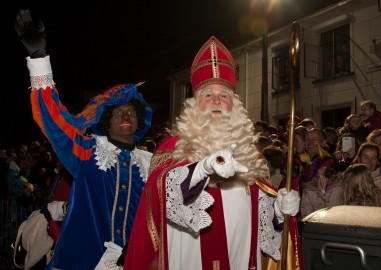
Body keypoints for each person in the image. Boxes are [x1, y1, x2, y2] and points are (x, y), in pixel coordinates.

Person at [124, 36, 300, 270]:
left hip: (241, 257)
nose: (217, 100)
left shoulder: (250, 154)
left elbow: (263, 221)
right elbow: (159, 198)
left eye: (224, 95)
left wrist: (279, 211)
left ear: (233, 105)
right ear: (195, 104)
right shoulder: (174, 147)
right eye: (208, 95)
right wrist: (202, 169)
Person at [15, 9, 153, 269]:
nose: (126, 115)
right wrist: (38, 58)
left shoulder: (152, 164)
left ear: (138, 121)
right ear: (105, 121)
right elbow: (53, 120)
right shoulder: (87, 152)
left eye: (132, 111)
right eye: (117, 111)